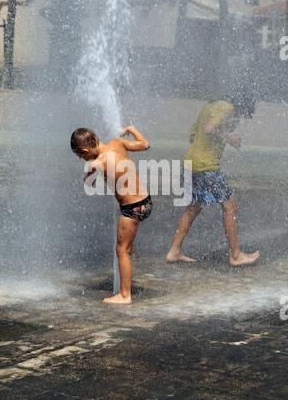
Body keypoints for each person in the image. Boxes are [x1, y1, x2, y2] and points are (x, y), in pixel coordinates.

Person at [166, 98, 260, 267]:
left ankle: (174, 251)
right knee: (230, 206)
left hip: (191, 163)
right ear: (242, 108)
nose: (239, 121)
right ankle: (236, 255)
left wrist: (207, 146)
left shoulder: (208, 108)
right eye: (243, 116)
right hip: (207, 167)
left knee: (194, 206)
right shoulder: (227, 108)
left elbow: (193, 136)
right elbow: (210, 129)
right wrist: (229, 139)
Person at [70, 126, 152, 304]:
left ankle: (124, 295)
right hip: (145, 201)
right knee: (127, 247)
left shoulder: (97, 163)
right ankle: (128, 262)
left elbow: (89, 185)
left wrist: (88, 172)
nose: (83, 159)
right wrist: (131, 128)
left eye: (81, 156)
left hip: (132, 208)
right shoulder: (118, 142)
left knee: (121, 250)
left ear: (85, 150)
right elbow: (146, 144)